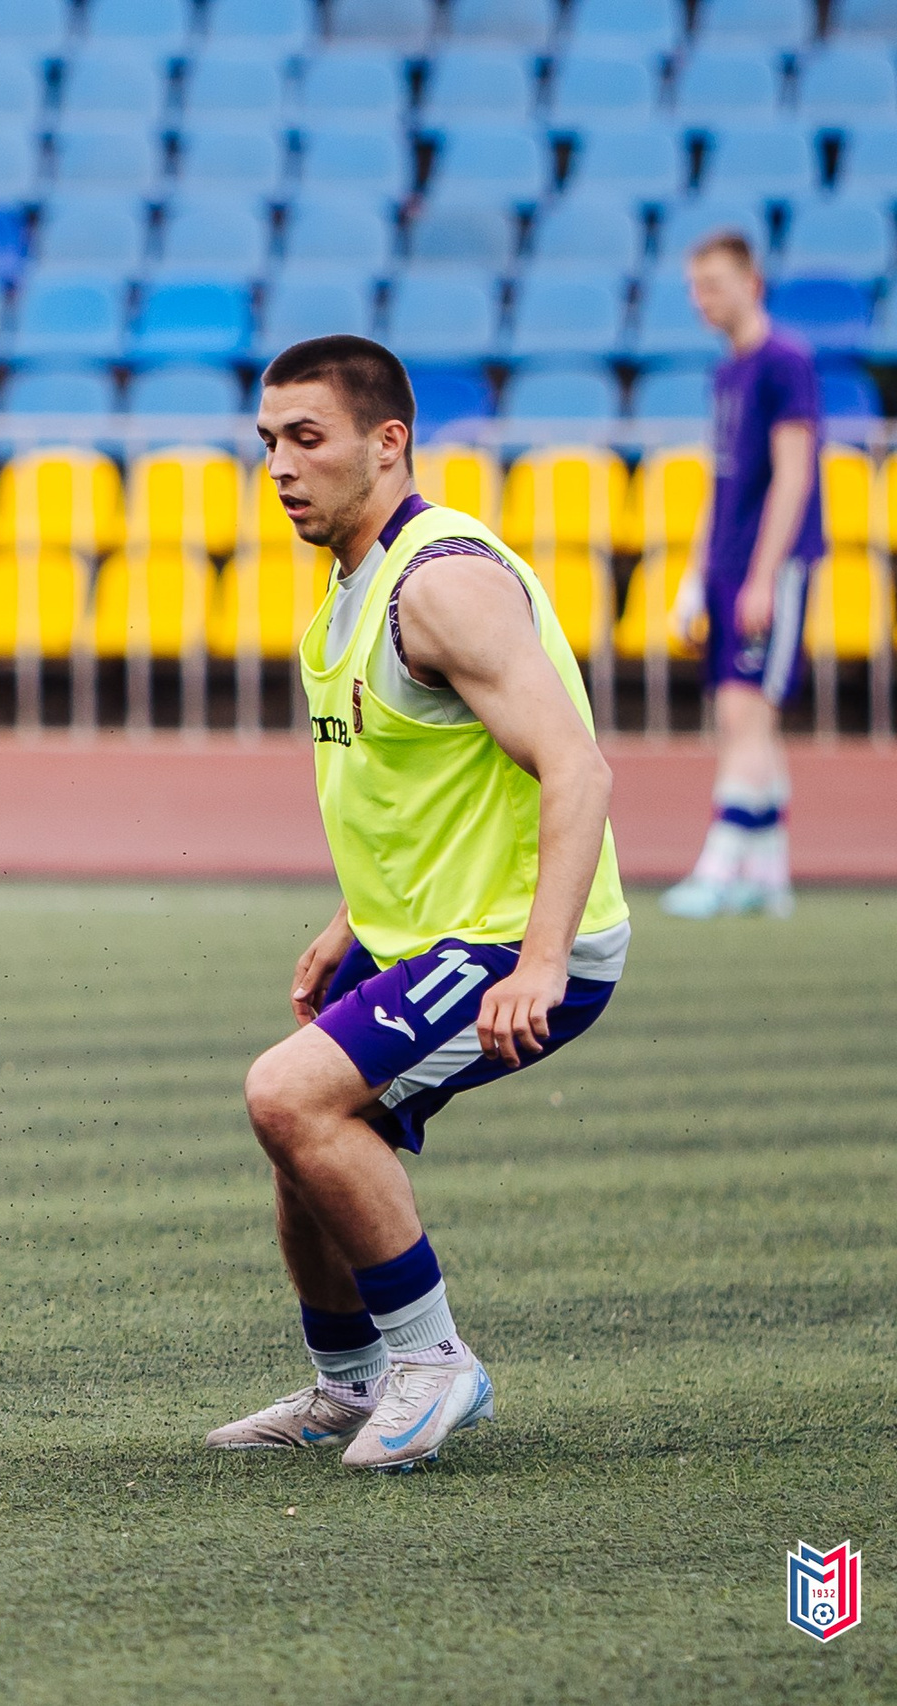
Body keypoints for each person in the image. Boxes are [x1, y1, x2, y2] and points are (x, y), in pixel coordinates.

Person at [208, 336, 630, 1472]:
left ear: (387, 441)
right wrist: (353, 915)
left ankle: (432, 1358)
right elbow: (419, 781)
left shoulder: (438, 584)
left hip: (515, 939)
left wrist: (538, 962)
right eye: (267, 442)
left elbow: (577, 768)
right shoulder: (354, 579)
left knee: (287, 1094)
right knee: (300, 1134)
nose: (282, 465)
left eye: (308, 437)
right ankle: (348, 1383)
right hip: (424, 931)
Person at [661, 229, 823, 921]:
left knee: (745, 713)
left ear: (752, 284)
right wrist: (697, 576)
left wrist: (763, 575)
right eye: (696, 287)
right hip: (728, 564)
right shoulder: (727, 370)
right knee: (743, 718)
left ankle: (722, 864)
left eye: (716, 285)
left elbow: (793, 475)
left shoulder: (786, 362)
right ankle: (769, 872)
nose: (703, 300)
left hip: (769, 565)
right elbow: (719, 480)